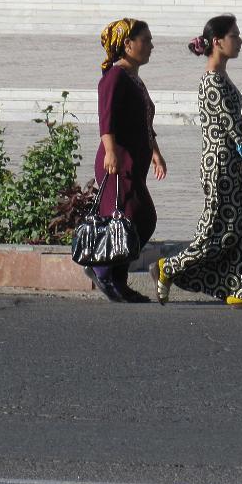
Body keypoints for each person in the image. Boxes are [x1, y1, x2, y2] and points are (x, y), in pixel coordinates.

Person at [150, 14, 242, 310]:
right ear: (217, 42)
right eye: (235, 35)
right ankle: (168, 267)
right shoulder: (213, 81)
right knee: (218, 229)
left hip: (230, 161)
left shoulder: (221, 77)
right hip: (219, 163)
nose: (240, 41)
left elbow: (235, 122)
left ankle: (238, 287)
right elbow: (232, 125)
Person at [86, 18, 167, 303]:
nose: (151, 45)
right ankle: (101, 269)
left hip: (134, 163)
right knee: (133, 219)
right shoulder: (115, 77)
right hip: (117, 162)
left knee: (137, 220)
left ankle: (118, 280)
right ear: (127, 44)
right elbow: (105, 117)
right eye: (145, 40)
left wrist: (155, 152)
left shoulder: (134, 78)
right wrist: (110, 151)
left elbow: (143, 120)